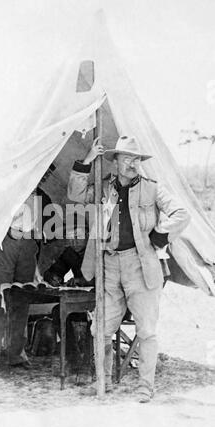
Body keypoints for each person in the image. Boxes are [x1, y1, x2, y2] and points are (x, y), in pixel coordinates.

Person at [67, 135, 190, 402]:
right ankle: (105, 382)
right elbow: (75, 194)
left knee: (146, 330)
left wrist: (160, 235)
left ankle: (146, 386)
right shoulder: (104, 188)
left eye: (136, 159)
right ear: (116, 162)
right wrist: (87, 161)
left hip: (141, 266)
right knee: (100, 330)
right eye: (127, 158)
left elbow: (182, 213)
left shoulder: (152, 189)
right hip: (109, 266)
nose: (132, 164)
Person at [0, 165, 54, 375]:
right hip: (8, 244)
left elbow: (45, 230)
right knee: (0, 300)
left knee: (22, 300)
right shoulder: (10, 190)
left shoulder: (42, 198)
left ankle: (16, 355)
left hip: (28, 246)